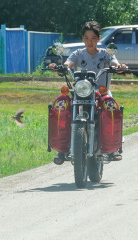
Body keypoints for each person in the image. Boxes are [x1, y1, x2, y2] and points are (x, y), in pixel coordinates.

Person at [47, 20, 127, 161]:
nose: (89, 42)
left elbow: (114, 63)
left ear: (99, 39)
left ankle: (112, 148)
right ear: (83, 38)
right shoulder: (78, 53)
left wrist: (119, 66)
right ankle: (63, 148)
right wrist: (60, 66)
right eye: (86, 38)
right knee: (65, 109)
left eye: (93, 39)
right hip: (81, 91)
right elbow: (68, 63)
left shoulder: (106, 54)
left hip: (101, 93)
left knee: (110, 108)